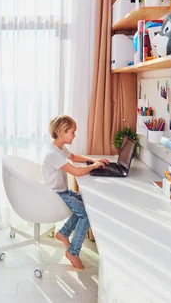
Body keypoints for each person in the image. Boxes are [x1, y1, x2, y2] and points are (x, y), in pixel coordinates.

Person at [40, 115, 110, 269]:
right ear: (61, 132)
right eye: (72, 132)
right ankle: (72, 252)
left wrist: (94, 160)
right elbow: (77, 172)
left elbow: (73, 157)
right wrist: (94, 166)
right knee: (87, 213)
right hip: (56, 195)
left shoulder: (58, 148)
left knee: (88, 204)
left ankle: (63, 233)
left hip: (63, 191)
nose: (75, 135)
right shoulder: (54, 154)